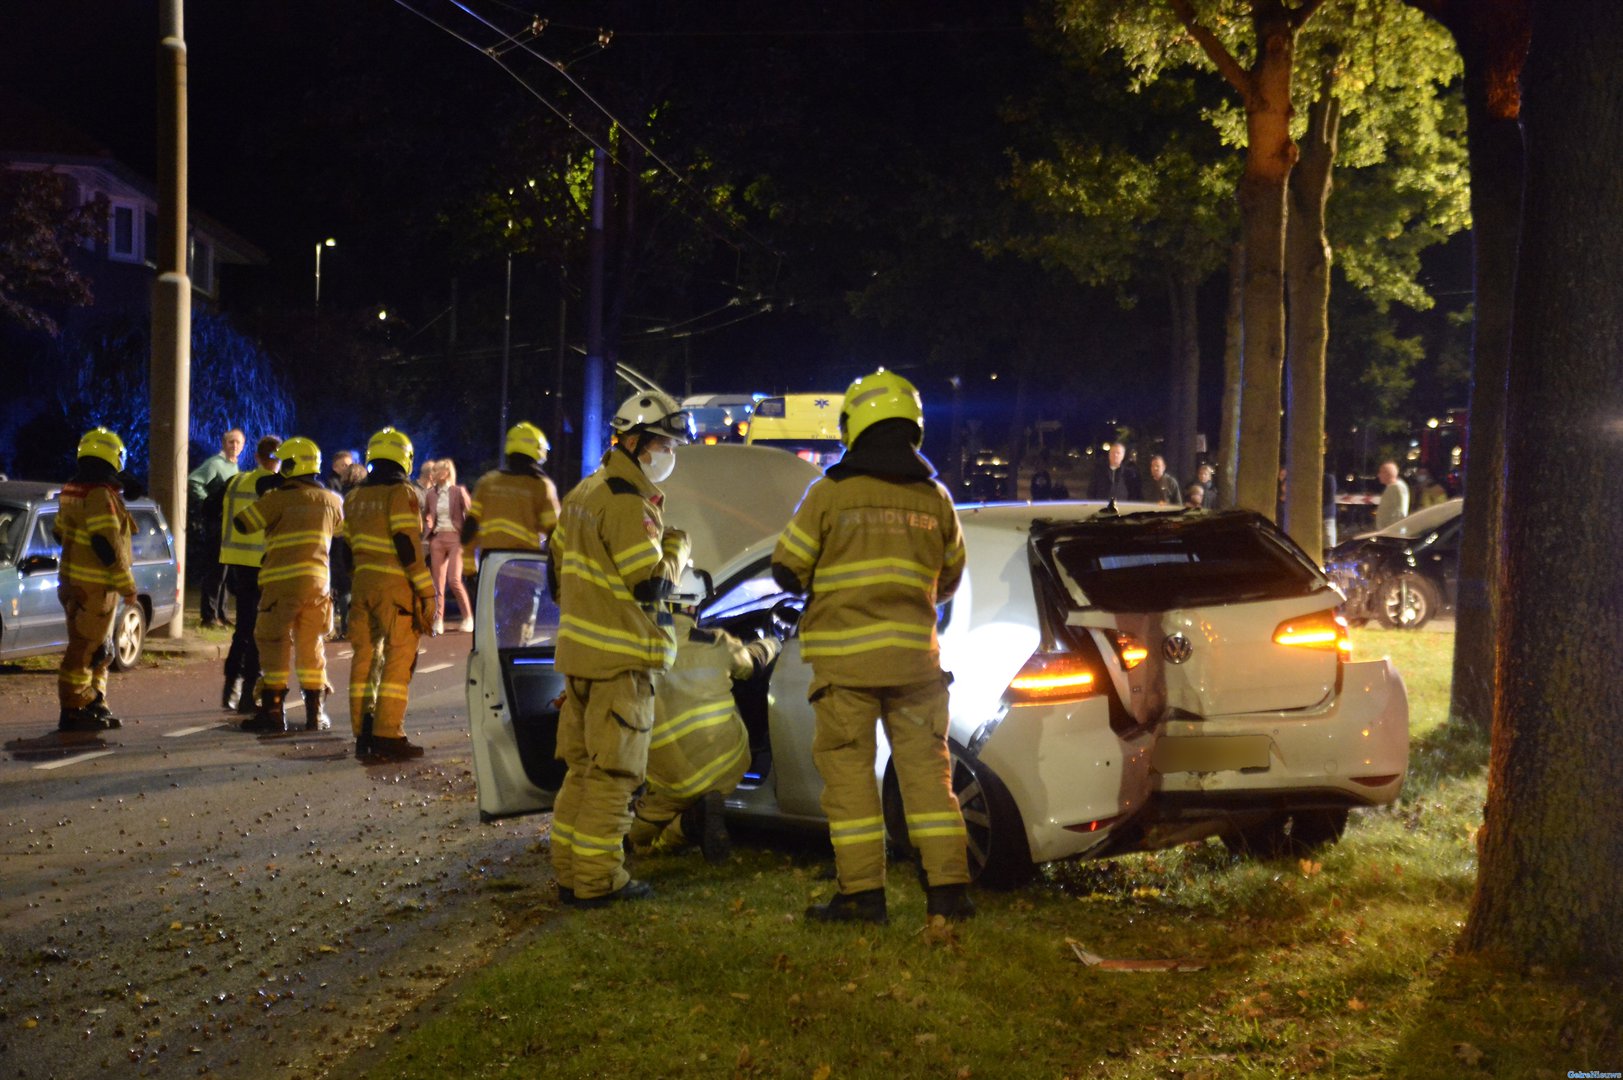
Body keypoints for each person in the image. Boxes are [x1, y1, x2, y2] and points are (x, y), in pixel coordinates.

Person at [771, 370, 972, 926]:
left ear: (854, 426)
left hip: (846, 671)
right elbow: (950, 579)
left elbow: (787, 568)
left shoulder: (831, 492)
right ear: (913, 426)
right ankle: (949, 893)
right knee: (930, 780)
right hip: (916, 667)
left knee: (851, 782)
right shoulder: (936, 499)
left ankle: (863, 898)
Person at [548, 394, 692, 908]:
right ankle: (599, 881)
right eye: (665, 443)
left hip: (581, 659)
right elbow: (649, 584)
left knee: (582, 773)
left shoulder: (583, 493)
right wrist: (677, 547)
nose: (669, 453)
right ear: (635, 441)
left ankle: (570, 875)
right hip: (621, 664)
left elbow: (558, 573)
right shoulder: (629, 502)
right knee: (615, 777)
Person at [629, 602, 781, 864]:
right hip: (728, 764)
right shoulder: (715, 641)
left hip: (670, 781)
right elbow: (753, 661)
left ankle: (688, 824)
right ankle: (700, 811)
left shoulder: (633, 654)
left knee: (638, 841)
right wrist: (775, 642)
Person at [233, 436, 344, 733]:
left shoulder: (277, 498)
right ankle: (315, 715)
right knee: (312, 648)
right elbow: (344, 530)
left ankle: (272, 713)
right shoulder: (333, 501)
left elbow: (243, 523)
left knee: (273, 644)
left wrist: (267, 494)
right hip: (317, 587)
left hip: (280, 587)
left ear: (293, 465)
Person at [345, 428, 437, 762]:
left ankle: (363, 731)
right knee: (400, 657)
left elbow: (345, 548)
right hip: (394, 587)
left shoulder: (354, 496)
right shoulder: (402, 492)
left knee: (364, 657)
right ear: (405, 457)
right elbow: (406, 544)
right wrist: (425, 591)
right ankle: (388, 733)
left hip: (361, 585)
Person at [53, 427, 138, 732]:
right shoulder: (100, 495)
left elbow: (59, 531)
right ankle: (76, 706)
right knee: (86, 649)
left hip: (74, 583)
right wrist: (127, 586)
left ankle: (93, 702)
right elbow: (107, 545)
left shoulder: (73, 489)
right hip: (96, 587)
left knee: (99, 649)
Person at [218, 435, 281, 714]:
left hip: (235, 563)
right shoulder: (277, 489)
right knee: (260, 632)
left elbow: (210, 509)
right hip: (265, 565)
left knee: (242, 630)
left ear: (256, 456)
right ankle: (247, 696)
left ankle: (229, 687)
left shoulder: (235, 481)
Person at [461, 425, 561, 570]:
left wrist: (469, 571)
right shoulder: (541, 486)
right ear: (538, 452)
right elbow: (555, 535)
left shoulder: (487, 482)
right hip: (525, 569)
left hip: (490, 571)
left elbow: (469, 530)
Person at [187, 428, 244, 627]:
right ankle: (209, 616)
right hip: (217, 524)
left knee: (226, 571)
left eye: (238, 442)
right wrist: (207, 503)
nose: (234, 446)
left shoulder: (233, 467)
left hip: (228, 525)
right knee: (215, 570)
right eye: (231, 442)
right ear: (223, 443)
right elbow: (194, 481)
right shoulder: (215, 464)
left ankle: (222, 613)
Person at [425, 459, 473, 633]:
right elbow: (426, 515)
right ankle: (438, 619)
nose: (433, 474)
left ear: (446, 472)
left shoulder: (458, 491)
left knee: (454, 580)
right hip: (438, 539)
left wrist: (468, 535)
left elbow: (471, 513)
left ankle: (468, 616)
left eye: (437, 470)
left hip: (455, 539)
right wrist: (428, 525)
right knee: (437, 583)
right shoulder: (431, 494)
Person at [1375, 461, 1410, 530]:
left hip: (1391, 532)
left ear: (1387, 474)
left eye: (1381, 472)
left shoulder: (1395, 488)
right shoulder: (1395, 486)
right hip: (1389, 531)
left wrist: (1392, 531)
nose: (1378, 475)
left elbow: (1399, 512)